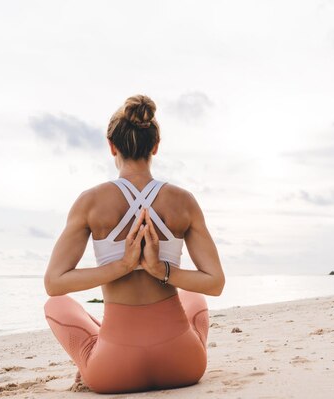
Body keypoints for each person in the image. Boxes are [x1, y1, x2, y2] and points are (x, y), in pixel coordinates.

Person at [43, 94, 225, 394]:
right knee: (195, 296)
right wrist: (161, 269)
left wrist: (121, 266)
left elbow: (54, 284)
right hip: (184, 365)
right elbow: (215, 283)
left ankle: (94, 354)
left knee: (56, 305)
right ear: (155, 146)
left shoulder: (89, 202)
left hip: (113, 372)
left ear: (111, 145)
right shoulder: (183, 201)